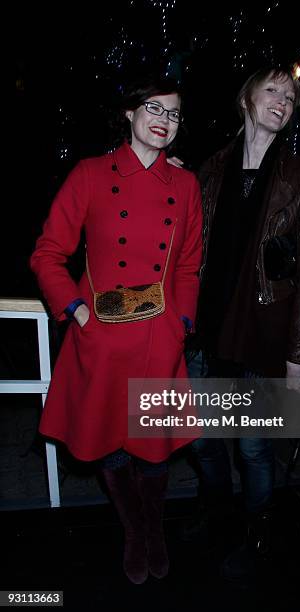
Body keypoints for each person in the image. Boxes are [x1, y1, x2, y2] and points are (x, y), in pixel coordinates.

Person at [30, 74, 203, 584]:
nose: (163, 120)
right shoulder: (89, 173)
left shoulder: (185, 184)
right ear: (129, 113)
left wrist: (182, 322)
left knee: (152, 448)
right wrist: (78, 313)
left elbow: (190, 267)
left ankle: (154, 530)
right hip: (101, 339)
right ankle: (133, 532)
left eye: (173, 113)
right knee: (108, 444)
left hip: (158, 339)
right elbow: (46, 254)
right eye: (154, 108)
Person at [186, 65, 300, 582]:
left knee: (252, 445)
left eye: (291, 98)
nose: (283, 102)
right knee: (200, 440)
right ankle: (217, 514)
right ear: (245, 98)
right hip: (203, 328)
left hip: (260, 335)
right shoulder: (211, 168)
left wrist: (297, 357)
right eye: (273, 90)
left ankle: (259, 529)